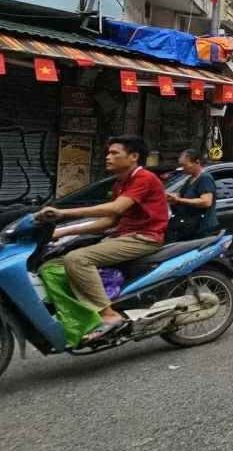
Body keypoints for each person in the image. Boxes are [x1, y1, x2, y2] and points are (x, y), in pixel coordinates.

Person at [36, 136, 168, 343]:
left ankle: (108, 314)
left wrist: (63, 213)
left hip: (144, 237)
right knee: (50, 266)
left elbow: (116, 208)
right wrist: (62, 233)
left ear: (133, 157)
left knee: (77, 259)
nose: (108, 157)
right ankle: (83, 315)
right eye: (108, 153)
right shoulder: (119, 184)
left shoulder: (144, 178)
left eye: (114, 153)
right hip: (122, 236)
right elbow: (109, 221)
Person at [166, 149, 218, 241]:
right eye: (180, 165)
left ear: (197, 162)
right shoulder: (190, 179)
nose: (182, 168)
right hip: (188, 226)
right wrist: (173, 198)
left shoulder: (205, 178)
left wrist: (179, 200)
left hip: (202, 227)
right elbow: (181, 197)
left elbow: (206, 202)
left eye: (185, 165)